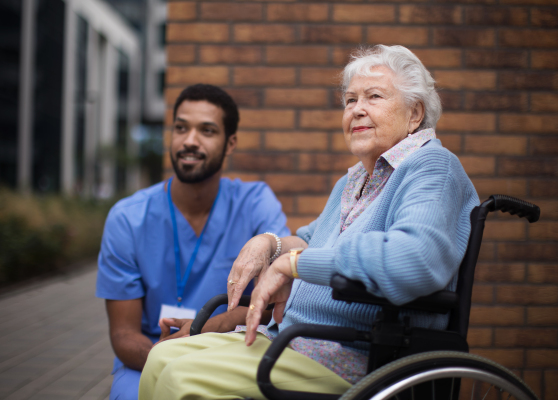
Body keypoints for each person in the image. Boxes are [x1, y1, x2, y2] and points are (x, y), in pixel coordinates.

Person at [139, 45, 480, 400]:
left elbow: (413, 259)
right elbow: (309, 242)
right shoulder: (355, 181)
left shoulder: (433, 167)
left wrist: (294, 265)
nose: (357, 109)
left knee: (183, 378)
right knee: (161, 357)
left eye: (374, 96)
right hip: (296, 340)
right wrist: (269, 245)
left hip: (354, 354)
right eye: (350, 100)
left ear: (415, 113)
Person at [96, 84, 289, 400]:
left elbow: (270, 307)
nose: (189, 141)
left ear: (230, 144)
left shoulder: (255, 204)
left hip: (229, 351)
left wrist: (213, 325)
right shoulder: (127, 218)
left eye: (207, 131)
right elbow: (123, 333)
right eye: (181, 128)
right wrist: (168, 361)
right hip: (148, 355)